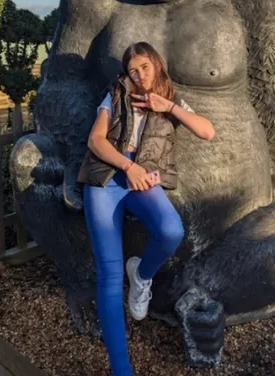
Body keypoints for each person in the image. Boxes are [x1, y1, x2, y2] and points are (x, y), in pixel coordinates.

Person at [77, 42, 215, 375]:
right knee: (109, 276)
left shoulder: (170, 97)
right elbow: (96, 141)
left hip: (142, 184)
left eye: (145, 68)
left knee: (171, 230)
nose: (140, 76)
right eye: (133, 71)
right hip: (107, 180)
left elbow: (207, 131)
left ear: (156, 64)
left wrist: (168, 106)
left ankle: (141, 275)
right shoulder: (116, 94)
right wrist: (129, 167)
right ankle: (121, 369)